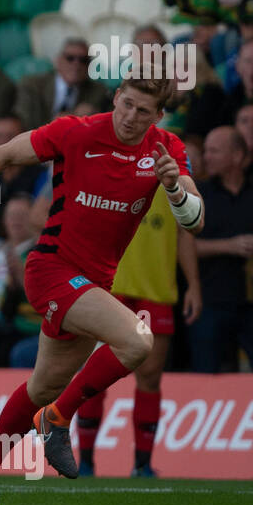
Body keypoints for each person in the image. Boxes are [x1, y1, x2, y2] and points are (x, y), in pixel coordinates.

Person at [0, 74, 205, 505]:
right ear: (116, 98)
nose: (131, 117)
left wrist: (175, 189)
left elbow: (195, 222)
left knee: (43, 384)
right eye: (126, 104)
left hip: (93, 284)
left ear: (158, 116)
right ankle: (57, 419)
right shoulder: (77, 131)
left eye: (143, 111)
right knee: (136, 340)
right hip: (50, 268)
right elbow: (4, 152)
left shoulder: (166, 150)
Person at [76, 188, 203, 478]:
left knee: (149, 376)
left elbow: (186, 232)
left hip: (155, 290)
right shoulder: (107, 160)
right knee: (95, 374)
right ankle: (84, 463)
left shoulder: (172, 168)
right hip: (108, 286)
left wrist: (193, 284)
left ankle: (142, 465)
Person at [190, 126, 253, 372]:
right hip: (210, 302)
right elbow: (184, 248)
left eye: (213, 151)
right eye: (206, 150)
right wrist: (229, 246)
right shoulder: (198, 195)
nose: (205, 157)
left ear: (237, 156)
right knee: (204, 377)